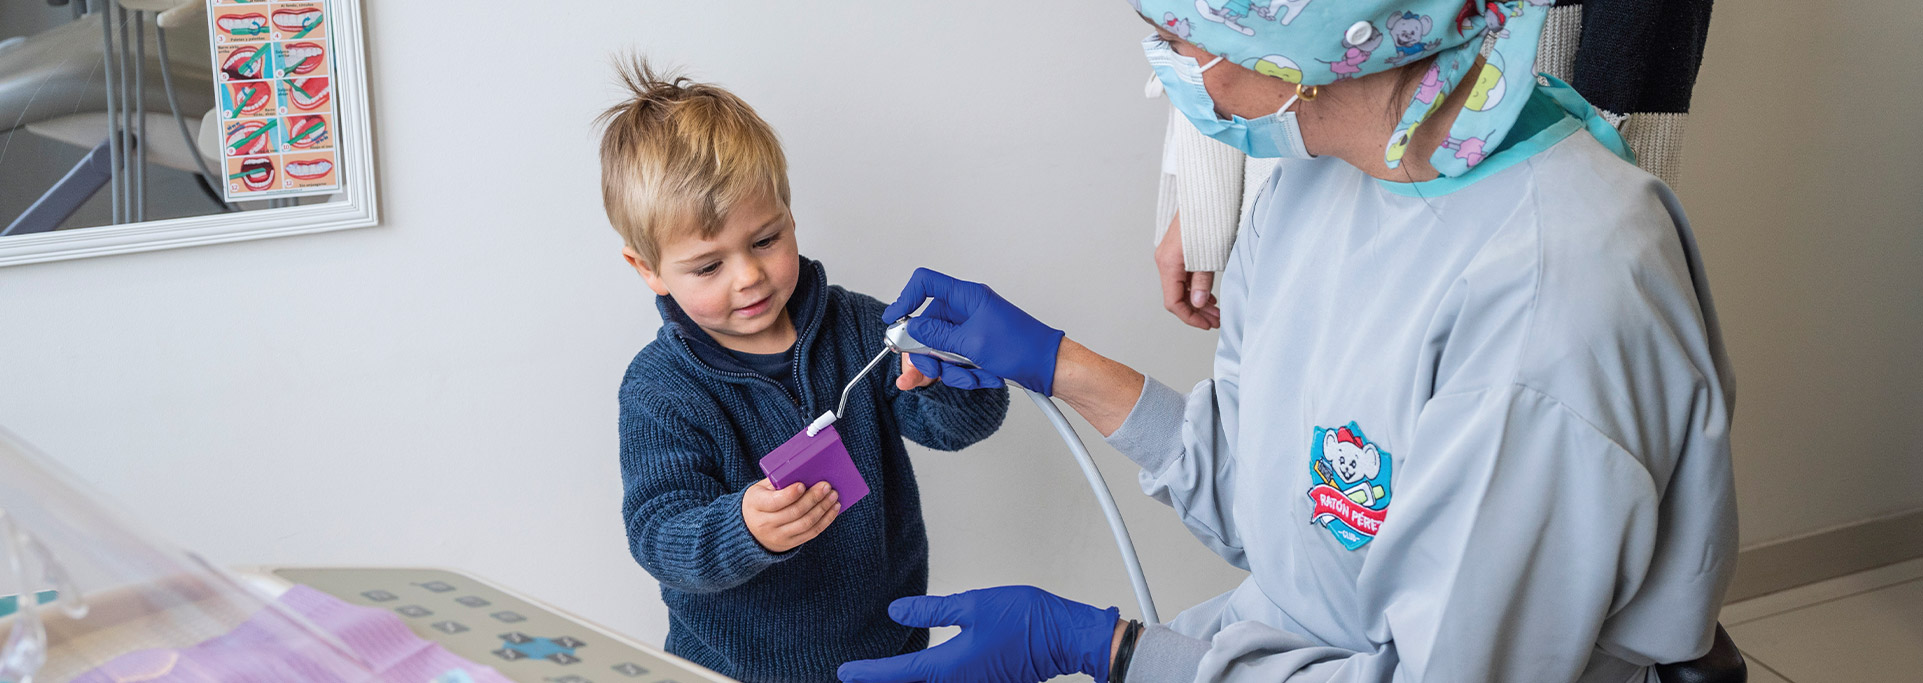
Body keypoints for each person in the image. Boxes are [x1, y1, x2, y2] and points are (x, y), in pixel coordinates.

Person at [837, 0, 1736, 681]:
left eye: (1179, 37)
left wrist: (1109, 649)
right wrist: (1053, 361)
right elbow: (1281, 515)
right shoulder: (1315, 184)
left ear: (1294, 36)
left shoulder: (1554, 299)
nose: (1167, 63)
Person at [596, 60, 1010, 682]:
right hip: (731, 669)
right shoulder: (660, 389)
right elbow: (659, 535)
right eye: (708, 267)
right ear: (648, 269)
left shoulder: (862, 329)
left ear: (790, 214)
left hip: (885, 653)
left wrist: (953, 378)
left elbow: (951, 427)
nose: (749, 277)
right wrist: (742, 528)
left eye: (765, 240)